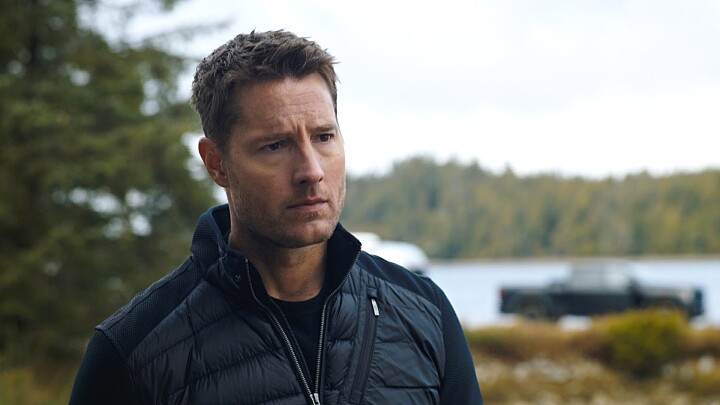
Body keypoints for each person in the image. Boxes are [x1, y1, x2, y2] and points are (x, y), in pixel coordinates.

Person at [70, 30, 482, 404]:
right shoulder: (131, 351)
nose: (311, 171)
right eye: (275, 145)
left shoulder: (426, 313)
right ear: (216, 163)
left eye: (323, 137)